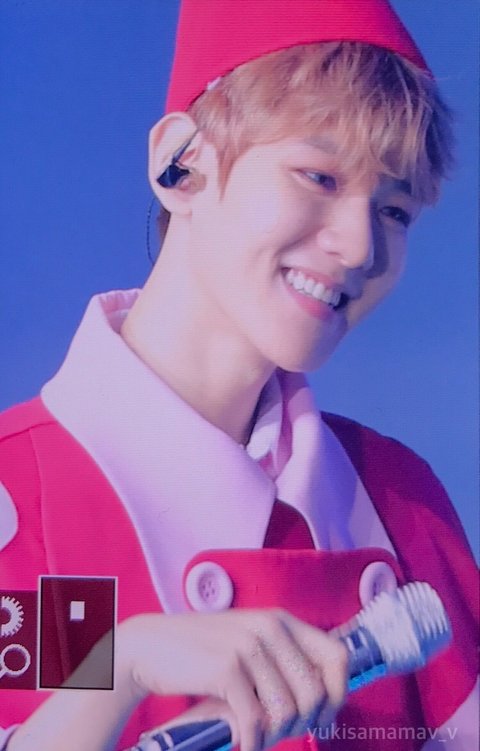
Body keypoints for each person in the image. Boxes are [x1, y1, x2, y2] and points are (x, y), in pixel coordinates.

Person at [0, 1, 478, 750]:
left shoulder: (401, 501)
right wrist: (121, 667)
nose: (360, 246)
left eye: (395, 210)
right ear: (181, 163)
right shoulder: (17, 498)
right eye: (319, 175)